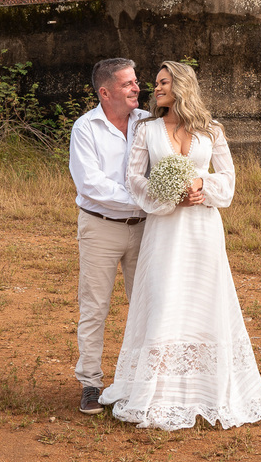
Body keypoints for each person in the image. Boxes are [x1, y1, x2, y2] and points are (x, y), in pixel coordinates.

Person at [99, 60, 261, 430]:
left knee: (203, 301)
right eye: (156, 83)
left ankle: (209, 389)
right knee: (165, 299)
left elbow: (227, 180)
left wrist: (200, 187)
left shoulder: (211, 131)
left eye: (163, 83)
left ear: (182, 86)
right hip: (164, 228)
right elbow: (133, 179)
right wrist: (167, 197)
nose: (156, 89)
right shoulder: (146, 130)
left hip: (203, 230)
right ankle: (160, 391)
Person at [68, 58, 151, 415]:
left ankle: (140, 381)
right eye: (127, 84)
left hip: (148, 229)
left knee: (147, 304)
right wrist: (142, 198)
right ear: (105, 92)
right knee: (95, 306)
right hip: (100, 226)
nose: (136, 88)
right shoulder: (86, 128)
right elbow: (90, 183)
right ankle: (90, 382)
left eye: (135, 81)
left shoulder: (148, 121)